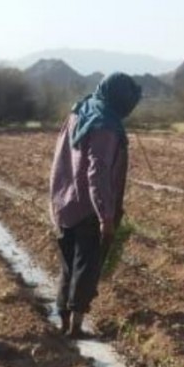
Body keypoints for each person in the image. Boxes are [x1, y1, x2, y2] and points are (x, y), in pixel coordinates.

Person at [49, 72, 142, 338]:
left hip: (64, 201)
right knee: (86, 266)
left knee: (68, 265)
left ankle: (63, 322)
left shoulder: (80, 110)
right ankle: (76, 326)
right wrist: (106, 216)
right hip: (88, 207)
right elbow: (97, 172)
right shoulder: (105, 125)